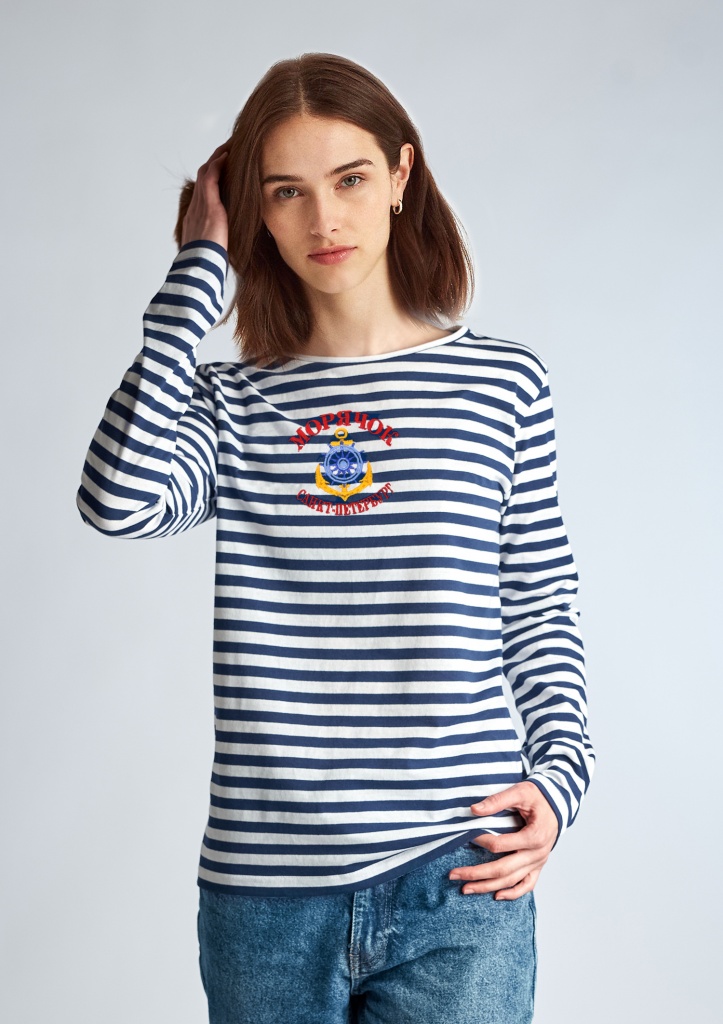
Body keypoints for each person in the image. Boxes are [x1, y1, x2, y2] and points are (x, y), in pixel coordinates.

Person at [76, 52, 595, 1024]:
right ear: (255, 213)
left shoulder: (500, 385)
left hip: (459, 873)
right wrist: (195, 274)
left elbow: (537, 604)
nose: (323, 220)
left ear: (400, 175)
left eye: (349, 179)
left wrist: (561, 778)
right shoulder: (232, 404)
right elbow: (117, 499)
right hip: (265, 896)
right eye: (286, 192)